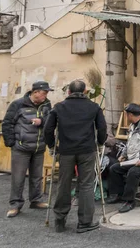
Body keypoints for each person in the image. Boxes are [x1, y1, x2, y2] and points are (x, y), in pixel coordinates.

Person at [44, 80, 107, 233]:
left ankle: (59, 220)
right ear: (85, 91)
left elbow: (48, 128)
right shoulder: (94, 107)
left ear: (69, 92)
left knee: (63, 184)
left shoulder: (59, 107)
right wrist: (100, 143)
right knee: (86, 185)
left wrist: (52, 145)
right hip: (87, 150)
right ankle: (85, 222)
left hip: (66, 151)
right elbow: (102, 127)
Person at [1, 81, 53, 218]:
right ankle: (15, 205)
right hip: (21, 148)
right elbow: (7, 123)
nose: (46, 95)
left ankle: (36, 200)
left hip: (39, 147)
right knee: (18, 178)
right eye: (44, 92)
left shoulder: (47, 105)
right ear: (35, 92)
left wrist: (41, 121)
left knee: (37, 177)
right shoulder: (18, 104)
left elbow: (50, 121)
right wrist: (11, 143)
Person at [106, 104, 140, 213]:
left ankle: (129, 201)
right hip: (134, 159)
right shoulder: (133, 125)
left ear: (130, 115)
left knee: (133, 172)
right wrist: (123, 155)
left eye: (126, 115)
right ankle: (117, 194)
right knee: (114, 168)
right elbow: (129, 143)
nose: (126, 117)